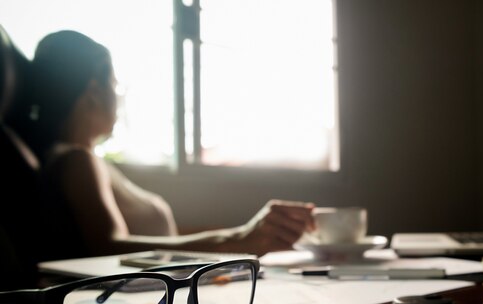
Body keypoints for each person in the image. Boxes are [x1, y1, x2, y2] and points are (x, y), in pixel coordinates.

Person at [26, 30, 315, 261]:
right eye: (115, 85)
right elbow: (107, 247)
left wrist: (238, 240)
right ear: (93, 91)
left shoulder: (82, 160)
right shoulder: (77, 160)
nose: (119, 97)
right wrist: (239, 239)